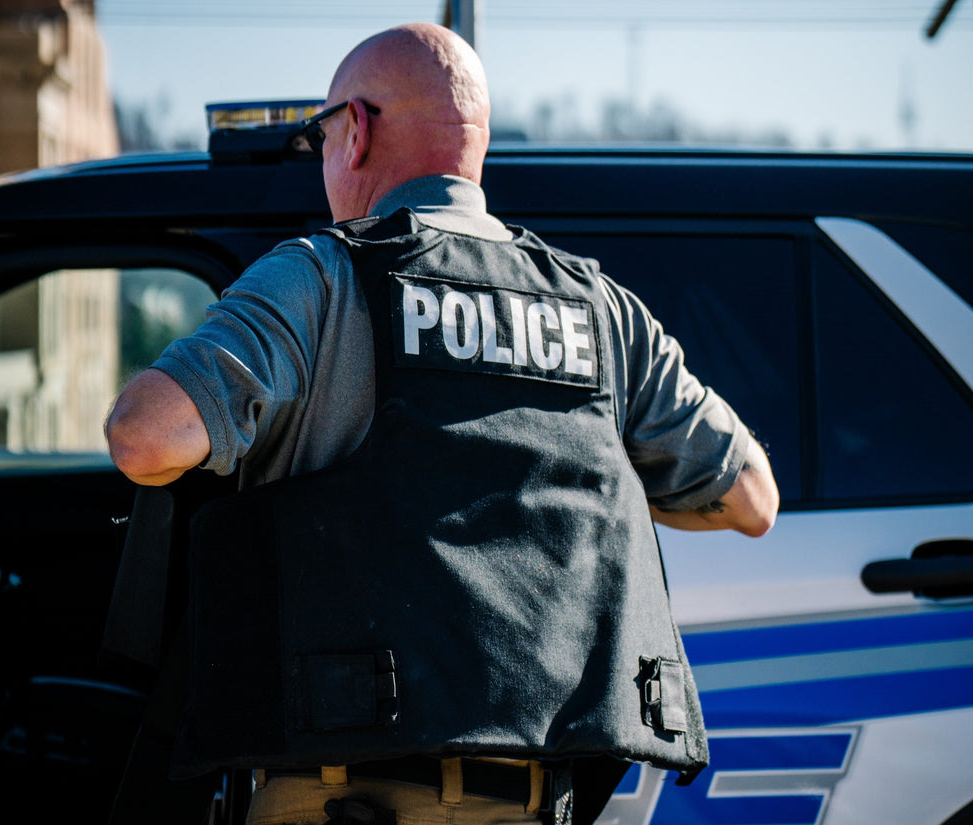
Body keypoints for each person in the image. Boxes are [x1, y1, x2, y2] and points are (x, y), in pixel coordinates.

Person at [105, 21, 779, 825]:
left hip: (344, 797)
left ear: (354, 130)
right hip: (530, 805)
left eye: (322, 134)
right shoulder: (602, 311)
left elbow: (146, 440)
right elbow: (751, 499)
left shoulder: (322, 275)